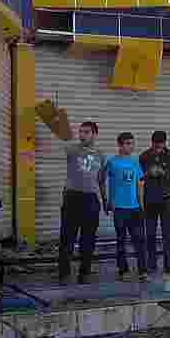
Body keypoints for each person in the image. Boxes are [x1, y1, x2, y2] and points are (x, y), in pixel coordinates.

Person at [57, 121, 106, 284]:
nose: (82, 135)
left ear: (94, 134)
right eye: (81, 132)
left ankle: (84, 273)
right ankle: (64, 274)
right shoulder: (72, 149)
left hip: (91, 199)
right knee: (67, 238)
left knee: (88, 239)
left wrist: (105, 201)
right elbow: (62, 140)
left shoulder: (100, 154)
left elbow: (100, 181)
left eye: (86, 132)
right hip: (72, 197)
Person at [101, 132, 147, 280]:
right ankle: (123, 270)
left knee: (139, 240)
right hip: (119, 207)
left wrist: (141, 204)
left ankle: (142, 271)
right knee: (121, 240)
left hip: (134, 208)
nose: (130, 146)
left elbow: (139, 183)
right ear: (119, 145)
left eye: (131, 143)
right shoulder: (112, 162)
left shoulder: (135, 162)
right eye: (127, 143)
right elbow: (100, 179)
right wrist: (106, 200)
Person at [139, 130, 170, 275]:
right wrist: (148, 173)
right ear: (152, 143)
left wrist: (164, 173)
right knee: (149, 233)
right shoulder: (144, 156)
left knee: (167, 234)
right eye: (155, 145)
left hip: (166, 198)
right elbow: (139, 177)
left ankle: (168, 264)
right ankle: (151, 264)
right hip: (150, 199)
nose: (157, 148)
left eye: (160, 145)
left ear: (165, 143)